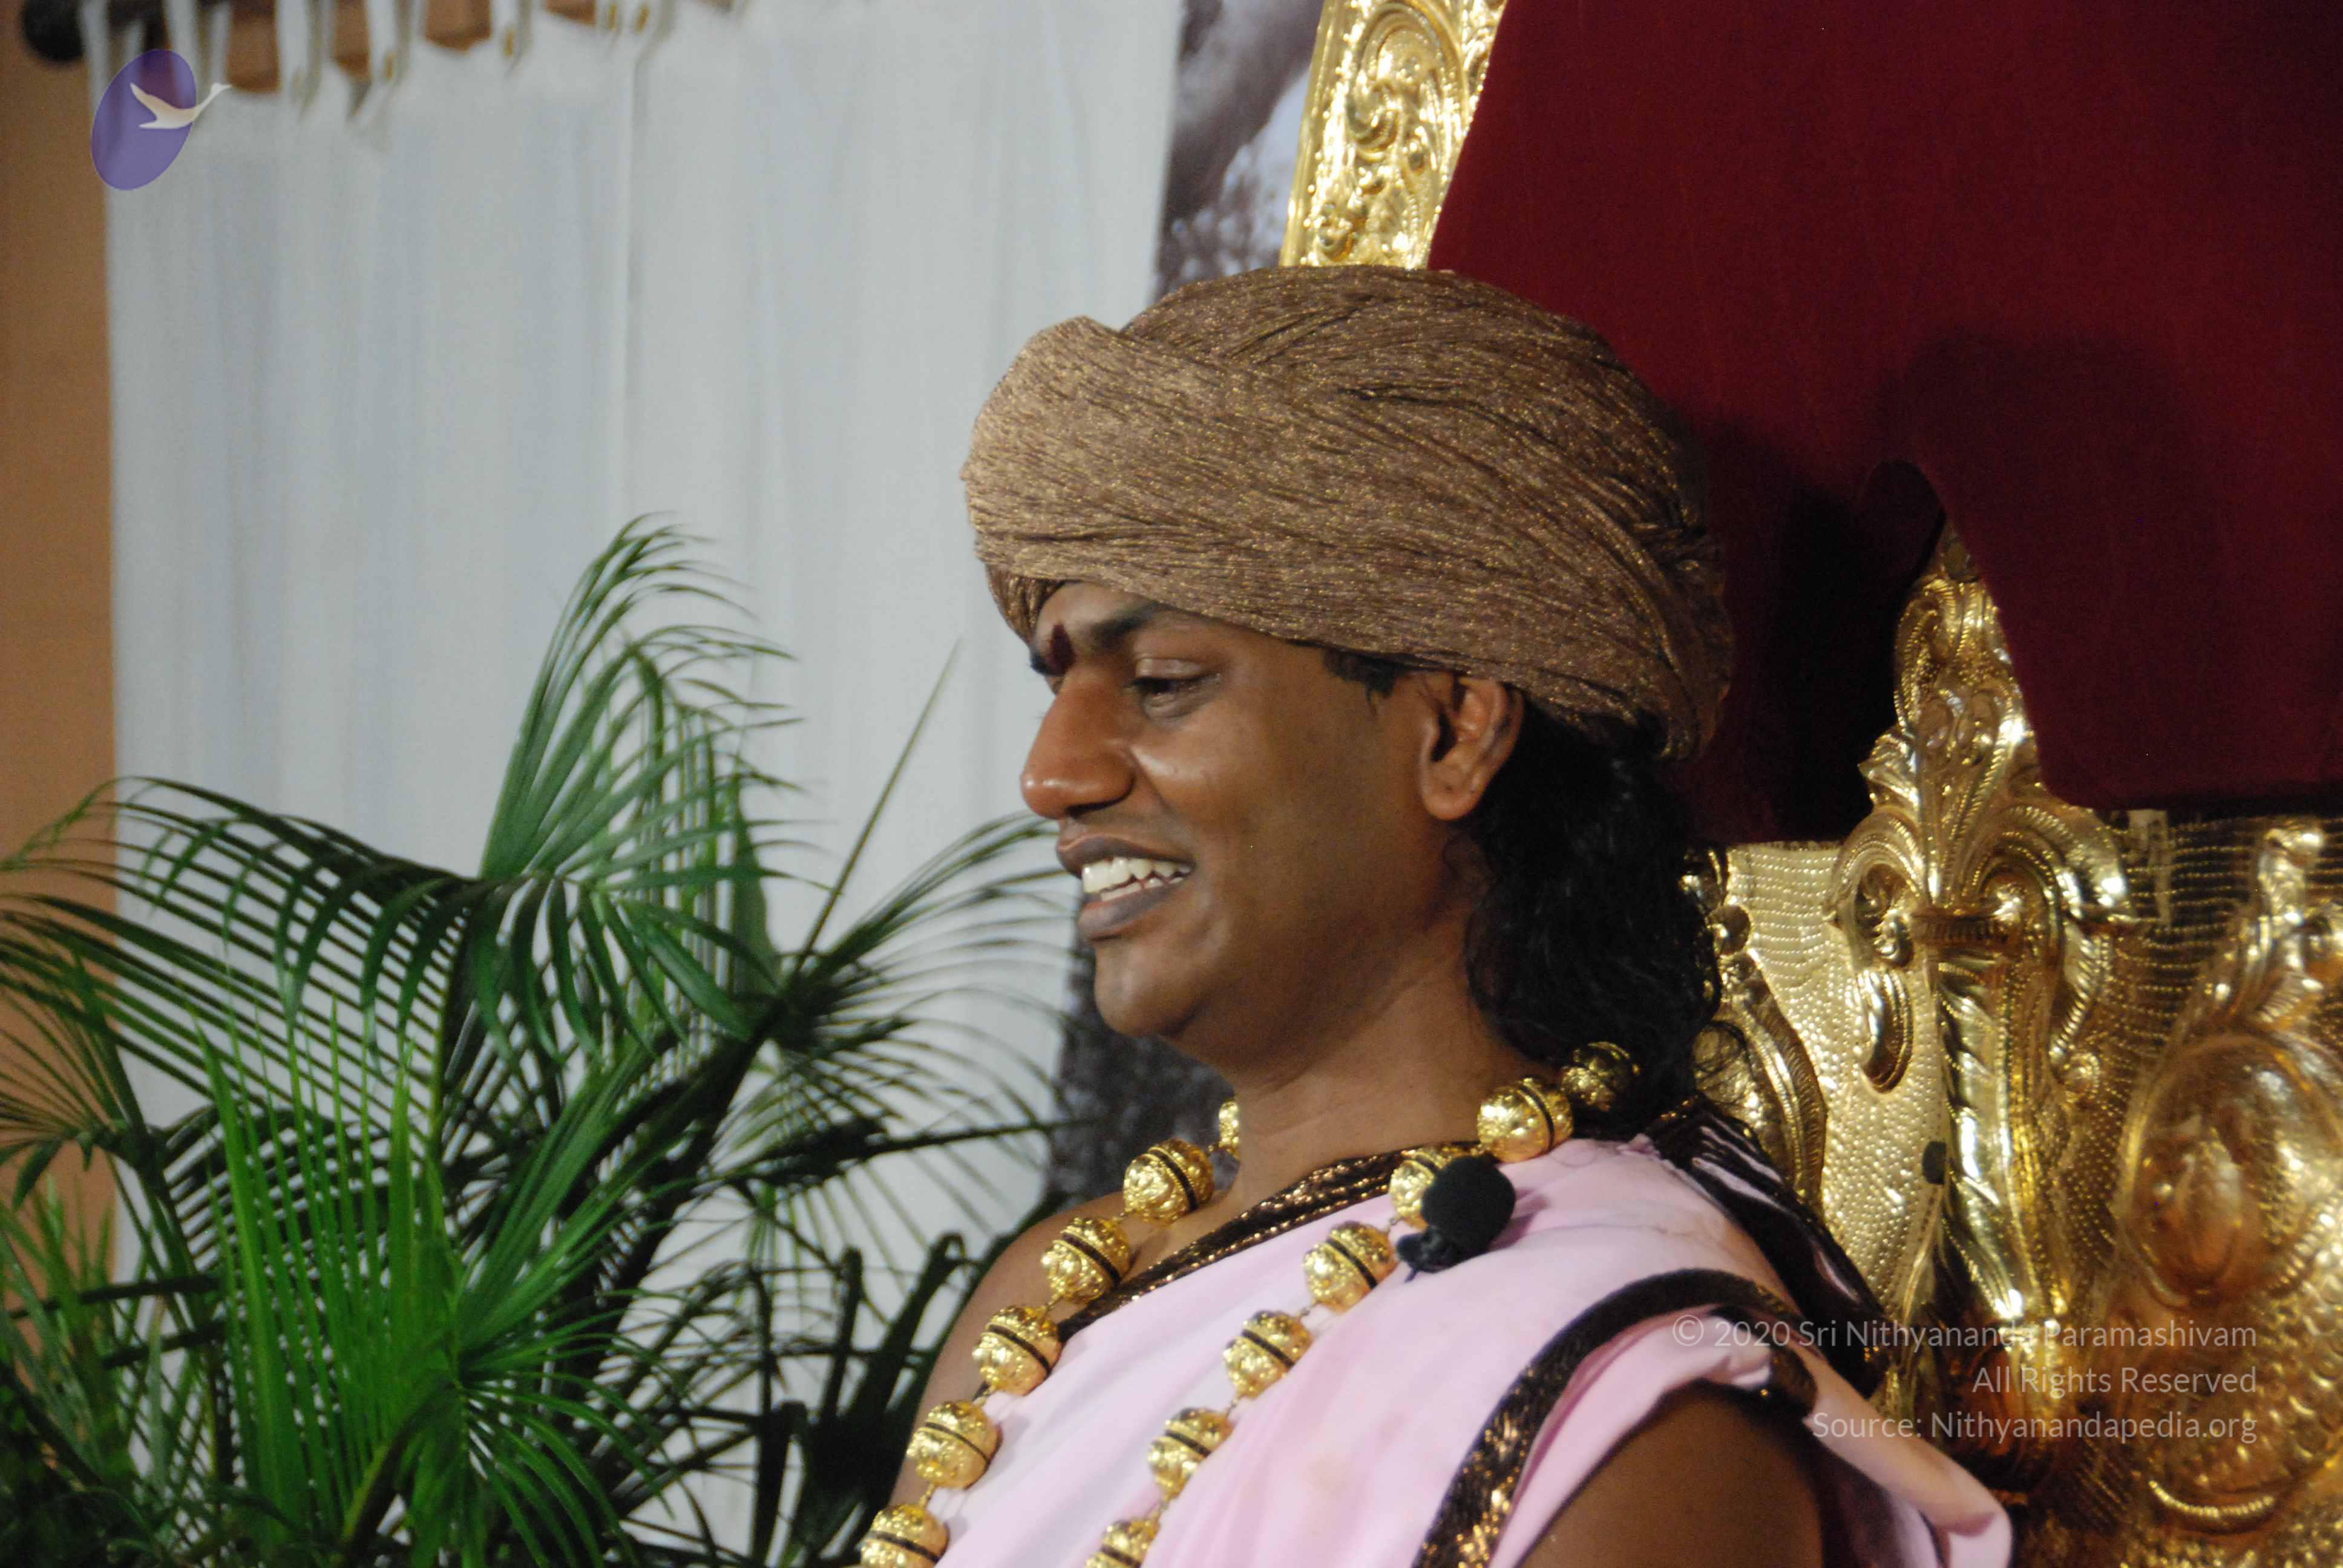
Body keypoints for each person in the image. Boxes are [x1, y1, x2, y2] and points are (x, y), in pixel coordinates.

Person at [861, 266, 2008, 1568]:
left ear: (1454, 732)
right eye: (1056, 686)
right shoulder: (1049, 1297)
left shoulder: (1618, 1406)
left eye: (1164, 682)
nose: (1051, 777)